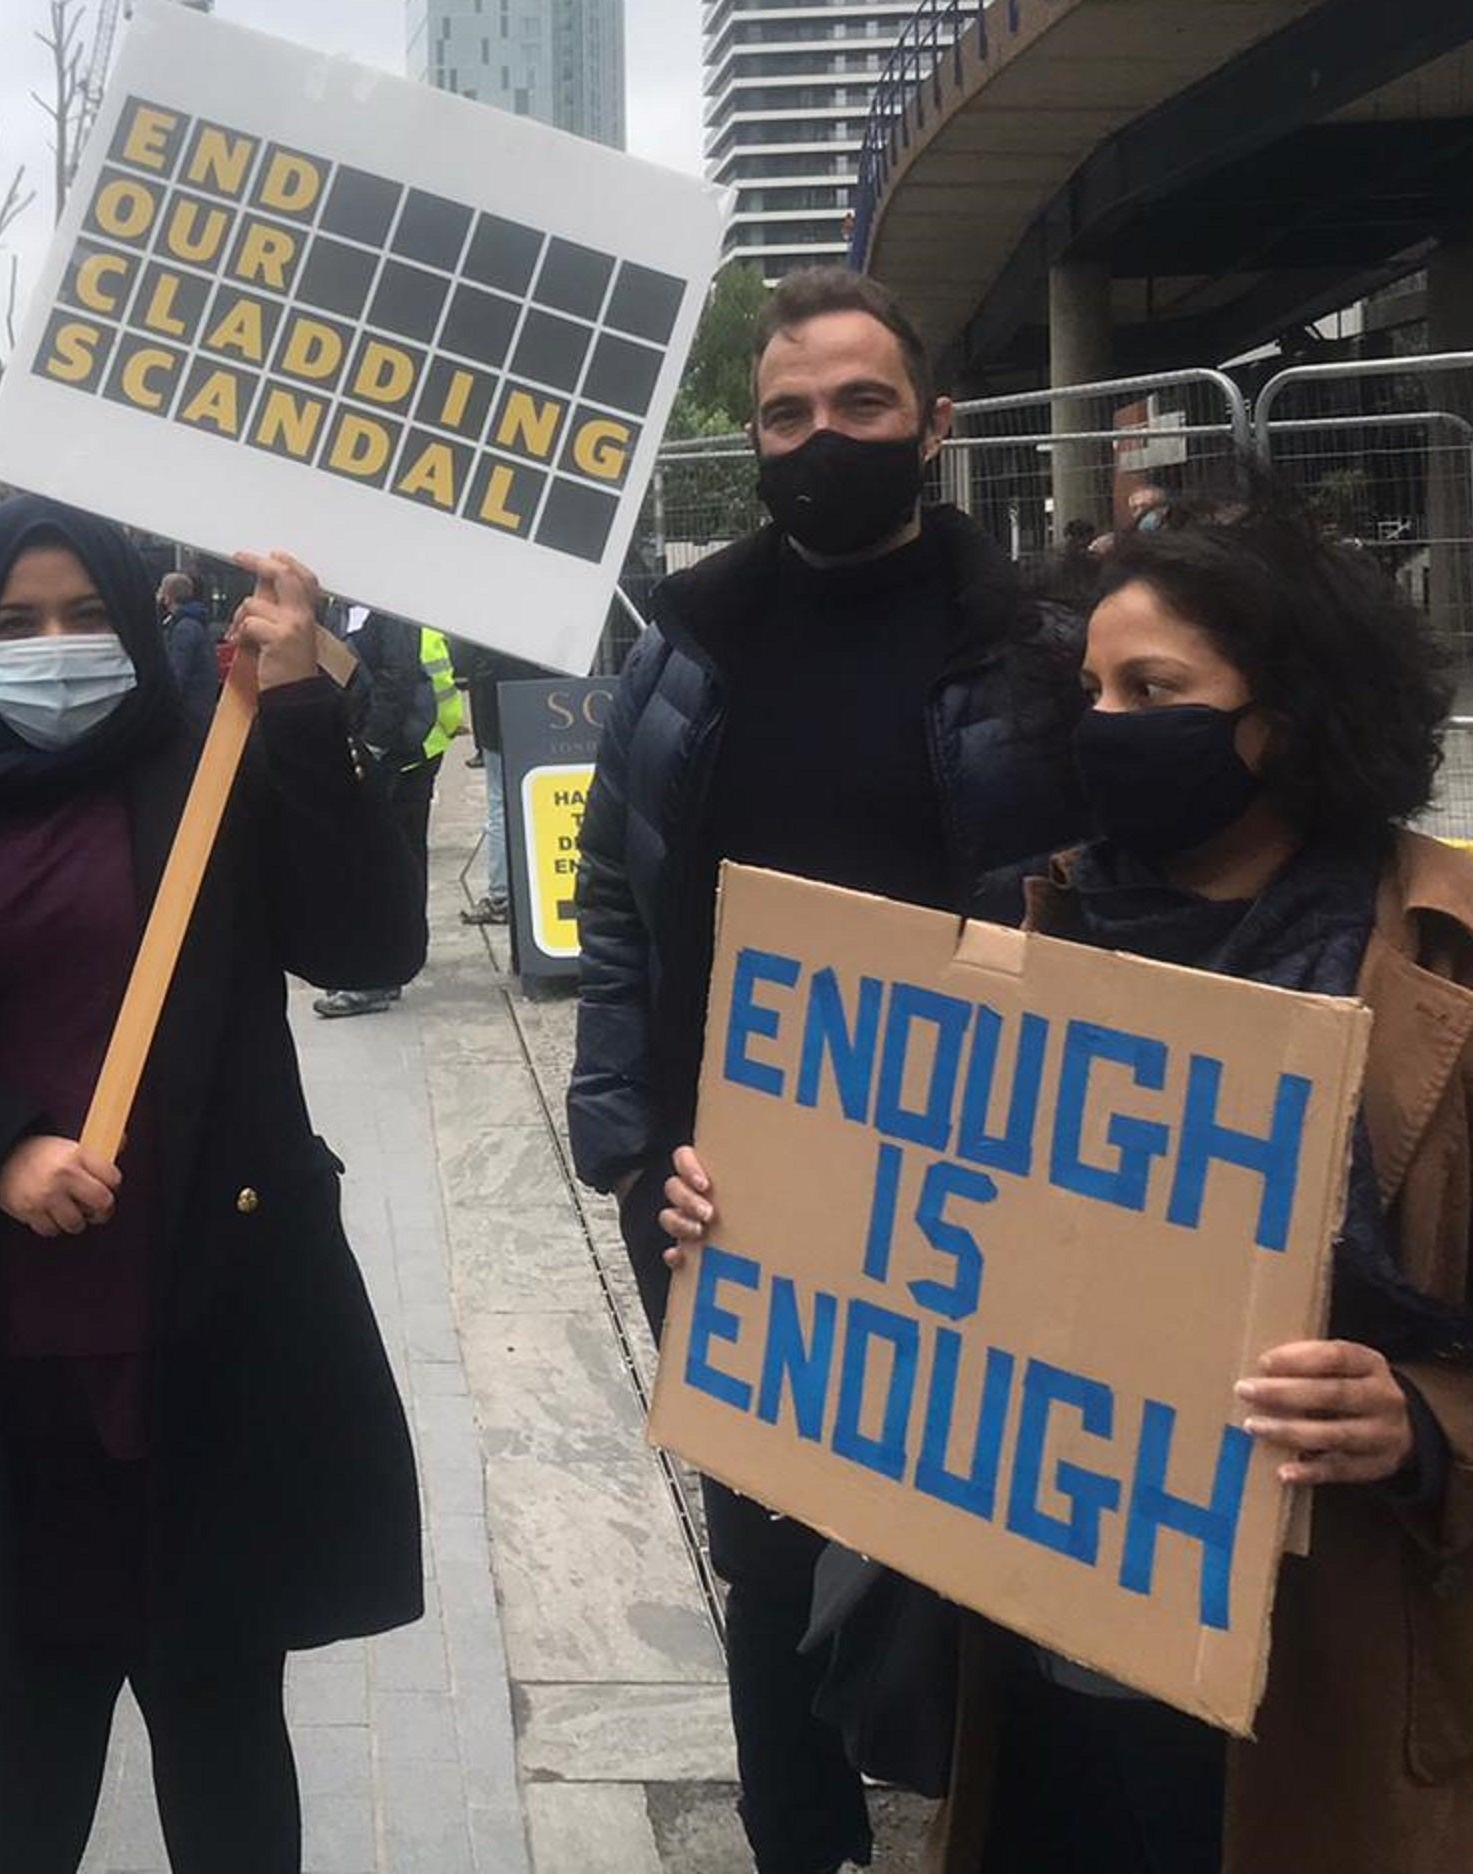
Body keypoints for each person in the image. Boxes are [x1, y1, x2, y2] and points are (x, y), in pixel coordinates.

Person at [655, 482, 1473, 1874]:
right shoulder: (1035, 933)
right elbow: (930, 1221)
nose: (1104, 723)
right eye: (1088, 687)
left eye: (1154, 687)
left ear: (1288, 719)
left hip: (1361, 1705)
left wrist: (1415, 1415)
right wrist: (763, 1209)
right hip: (1051, 1686)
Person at [0, 496, 425, 1872]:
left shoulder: (209, 760)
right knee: (43, 1695)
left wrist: (294, 708)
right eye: (16, 622)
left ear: (131, 618)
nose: (54, 647)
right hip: (9, 1348)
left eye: (82, 617)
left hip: (211, 1318)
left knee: (219, 1693)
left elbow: (368, 936)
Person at [567, 264, 1084, 1874]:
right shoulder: (692, 636)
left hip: (979, 1182)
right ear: (751, 431)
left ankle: (986, 1821)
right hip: (733, 1187)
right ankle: (800, 1838)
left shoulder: (1031, 645)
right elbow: (614, 885)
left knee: (994, 1554)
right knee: (770, 1557)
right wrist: (634, 1139)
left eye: (860, 406)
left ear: (929, 426)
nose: (821, 436)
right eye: (787, 411)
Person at [314, 602, 461, 1018]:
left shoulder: (387, 607)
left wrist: (372, 747)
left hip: (399, 750)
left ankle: (376, 976)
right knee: (400, 854)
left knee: (381, 859)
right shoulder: (352, 606)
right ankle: (399, 954)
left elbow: (395, 682)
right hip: (404, 746)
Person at [454, 641, 546, 928]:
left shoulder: (488, 618)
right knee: (540, 795)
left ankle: (501, 896)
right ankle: (539, 883)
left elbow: (462, 658)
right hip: (544, 704)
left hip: (497, 710)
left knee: (500, 804)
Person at [156, 569, 215, 697]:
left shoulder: (184, 628)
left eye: (160, 590)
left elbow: (177, 673)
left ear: (167, 597)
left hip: (188, 707)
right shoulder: (195, 621)